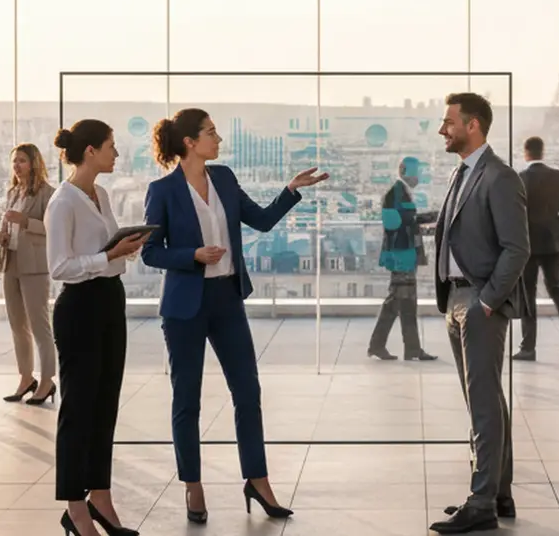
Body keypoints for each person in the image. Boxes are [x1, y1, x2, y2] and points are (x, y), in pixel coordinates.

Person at [142, 108, 328, 524]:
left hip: (226, 298)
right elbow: (150, 251)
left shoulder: (223, 178)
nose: (218, 138)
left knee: (248, 393)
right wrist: (191, 255)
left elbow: (260, 221)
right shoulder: (163, 190)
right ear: (189, 142)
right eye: (210, 132)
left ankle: (257, 480)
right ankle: (193, 485)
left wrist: (290, 190)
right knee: (187, 399)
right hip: (184, 307)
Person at [430, 92, 529, 534]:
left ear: (473, 125)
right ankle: (497, 490)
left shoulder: (499, 176)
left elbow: (518, 248)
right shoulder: (464, 172)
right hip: (457, 299)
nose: (442, 129)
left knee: (484, 403)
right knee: (484, 400)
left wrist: (487, 301)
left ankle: (482, 501)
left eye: (449, 122)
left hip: (478, 303)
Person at [46, 119, 147, 536]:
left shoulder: (100, 194)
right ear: (90, 151)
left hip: (109, 301)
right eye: (111, 146)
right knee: (77, 410)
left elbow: (105, 252)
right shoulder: (62, 202)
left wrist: (124, 251)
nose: (117, 154)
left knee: (105, 405)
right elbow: (59, 268)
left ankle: (100, 498)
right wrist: (107, 258)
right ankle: (75, 506)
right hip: (79, 309)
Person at [0, 143, 59, 404]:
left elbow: (53, 228)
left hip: (34, 266)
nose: (17, 166)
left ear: (33, 162)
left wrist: (25, 222)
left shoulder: (47, 193)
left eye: (21, 160)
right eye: (14, 161)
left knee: (39, 325)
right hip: (11, 263)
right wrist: (2, 235)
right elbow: (9, 226)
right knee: (17, 325)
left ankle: (47, 381)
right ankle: (25, 377)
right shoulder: (12, 192)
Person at [515, 136, 559, 361]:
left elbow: (514, 214)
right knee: (557, 290)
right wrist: (557, 234)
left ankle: (528, 347)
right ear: (543, 152)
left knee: (528, 295)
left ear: (526, 153)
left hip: (528, 245)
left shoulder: (519, 179)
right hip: (553, 243)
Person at [367, 156, 439, 361]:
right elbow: (403, 224)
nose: (419, 177)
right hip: (402, 255)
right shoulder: (396, 194)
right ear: (405, 171)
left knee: (402, 302)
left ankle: (404, 347)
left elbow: (406, 224)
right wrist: (435, 217)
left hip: (402, 254)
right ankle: (387, 346)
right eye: (417, 172)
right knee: (400, 301)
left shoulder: (399, 193)